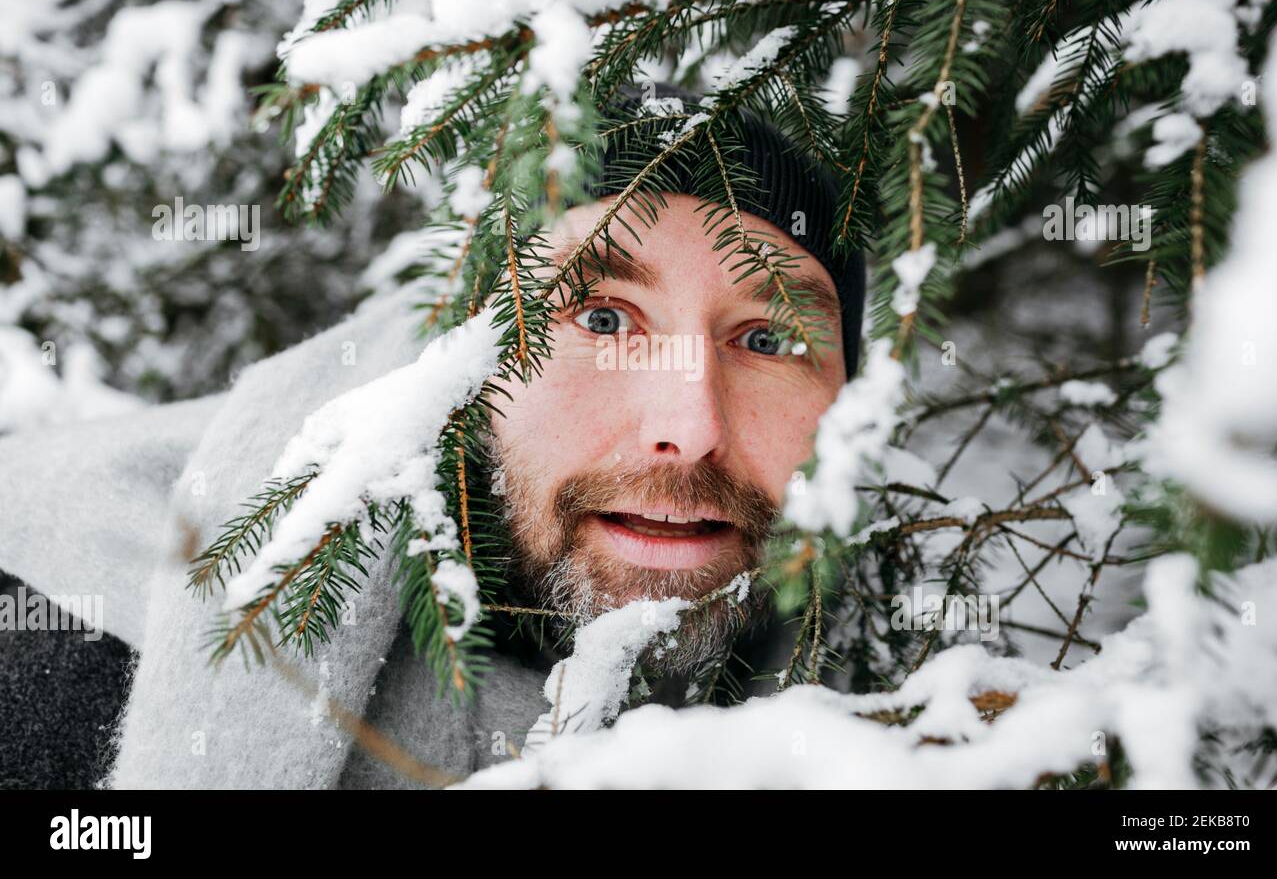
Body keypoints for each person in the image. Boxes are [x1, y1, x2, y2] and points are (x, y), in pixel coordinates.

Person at [0, 82, 865, 788]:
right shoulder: (57, 635)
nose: (692, 429)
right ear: (460, 366)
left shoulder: (906, 702)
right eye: (601, 318)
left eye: (768, 338)